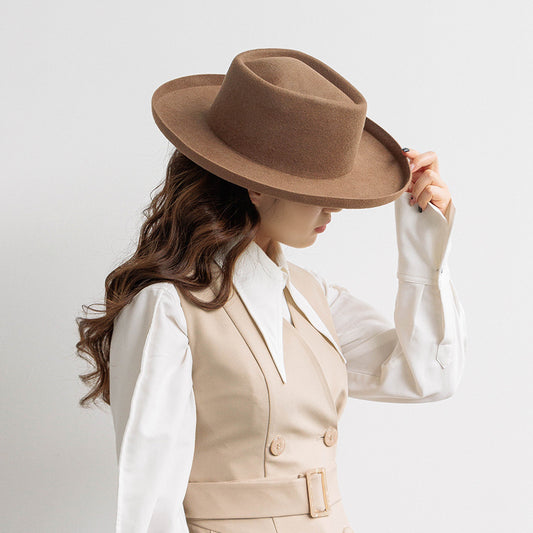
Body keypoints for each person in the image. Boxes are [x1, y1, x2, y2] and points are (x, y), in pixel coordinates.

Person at [75, 48, 467, 533]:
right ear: (256, 186)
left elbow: (426, 376)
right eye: (318, 190)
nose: (335, 210)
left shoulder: (310, 294)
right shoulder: (167, 306)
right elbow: (150, 500)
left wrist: (423, 239)